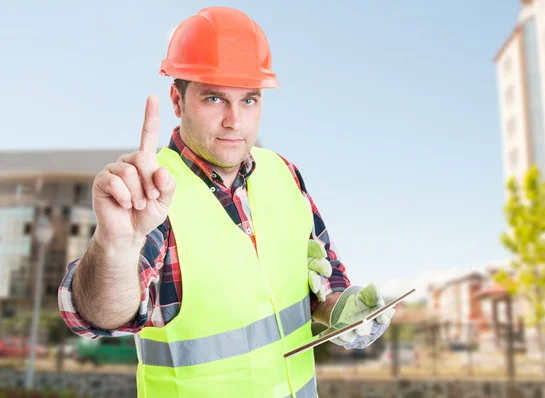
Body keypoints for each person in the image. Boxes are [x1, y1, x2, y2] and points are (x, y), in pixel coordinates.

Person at [58, 6, 394, 398]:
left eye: (249, 100)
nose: (235, 121)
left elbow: (324, 275)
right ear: (178, 101)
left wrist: (340, 309)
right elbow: (99, 317)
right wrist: (113, 248)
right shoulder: (152, 193)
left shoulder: (283, 173)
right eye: (215, 98)